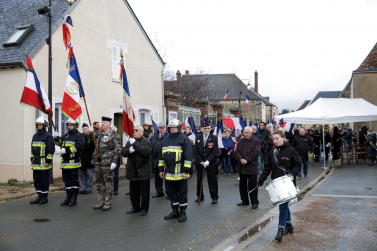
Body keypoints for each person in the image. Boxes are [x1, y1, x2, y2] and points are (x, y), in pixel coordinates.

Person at [257, 130, 301, 242]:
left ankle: (280, 230)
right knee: (284, 205)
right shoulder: (272, 153)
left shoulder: (291, 151)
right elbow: (267, 169)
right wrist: (260, 181)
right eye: (273, 139)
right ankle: (289, 225)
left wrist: (292, 174)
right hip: (276, 184)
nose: (275, 141)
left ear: (283, 138)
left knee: (282, 206)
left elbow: (297, 165)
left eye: (277, 138)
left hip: (288, 183)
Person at [158, 119, 193, 222]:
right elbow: (161, 156)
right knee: (171, 193)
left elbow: (188, 156)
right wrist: (160, 170)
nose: (173, 129)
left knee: (182, 193)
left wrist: (186, 171)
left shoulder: (184, 139)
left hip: (180, 171)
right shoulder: (164, 139)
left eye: (174, 127)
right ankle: (175, 211)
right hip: (168, 171)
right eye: (171, 127)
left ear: (178, 128)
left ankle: (182, 212)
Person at [122, 125, 152, 216]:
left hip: (143, 171)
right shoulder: (130, 141)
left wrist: (134, 144)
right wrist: (129, 150)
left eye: (136, 130)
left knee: (144, 192)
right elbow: (123, 152)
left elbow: (145, 152)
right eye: (133, 130)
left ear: (142, 132)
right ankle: (135, 207)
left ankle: (144, 209)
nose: (134, 132)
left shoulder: (146, 142)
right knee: (133, 191)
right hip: (132, 171)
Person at [92, 117, 121, 211]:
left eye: (104, 122)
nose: (102, 123)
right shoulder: (99, 134)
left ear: (109, 124)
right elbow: (90, 137)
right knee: (99, 183)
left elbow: (117, 150)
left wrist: (114, 162)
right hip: (98, 162)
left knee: (108, 183)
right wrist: (90, 130)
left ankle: (108, 203)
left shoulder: (114, 135)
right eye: (102, 122)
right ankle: (101, 201)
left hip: (107, 163)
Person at [55, 118, 85, 207]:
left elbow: (78, 147)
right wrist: (56, 138)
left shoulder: (79, 136)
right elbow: (58, 142)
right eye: (68, 125)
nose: (69, 127)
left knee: (74, 181)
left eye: (71, 125)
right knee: (67, 182)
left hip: (74, 162)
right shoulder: (66, 135)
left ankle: (74, 198)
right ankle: (68, 197)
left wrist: (67, 151)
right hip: (65, 163)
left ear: (75, 126)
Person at [30, 117, 55, 205]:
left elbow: (51, 150)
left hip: (44, 163)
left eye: (40, 124)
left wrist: (48, 161)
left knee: (44, 180)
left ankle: (44, 197)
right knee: (37, 180)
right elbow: (32, 149)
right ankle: (39, 195)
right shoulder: (35, 136)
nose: (38, 126)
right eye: (37, 124)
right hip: (36, 162)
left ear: (44, 125)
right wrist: (32, 159)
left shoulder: (48, 136)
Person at [234, 126, 261, 209]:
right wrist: (240, 159)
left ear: (251, 133)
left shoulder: (256, 141)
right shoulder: (241, 141)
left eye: (247, 133)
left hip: (251, 166)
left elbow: (256, 152)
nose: (245, 134)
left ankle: (254, 202)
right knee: (242, 185)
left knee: (252, 185)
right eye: (244, 132)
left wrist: (247, 160)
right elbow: (236, 151)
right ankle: (244, 200)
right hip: (242, 166)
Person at [193, 121, 219, 204]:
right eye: (205, 128)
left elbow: (214, 151)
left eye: (208, 128)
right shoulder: (198, 138)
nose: (206, 130)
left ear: (210, 129)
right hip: (200, 163)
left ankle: (214, 197)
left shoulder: (214, 138)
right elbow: (195, 151)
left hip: (210, 163)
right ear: (201, 129)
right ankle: (200, 196)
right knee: (199, 180)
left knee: (212, 181)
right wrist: (200, 161)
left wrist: (208, 161)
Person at [150, 122, 168, 198]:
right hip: (156, 160)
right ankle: (159, 191)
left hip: (166, 160)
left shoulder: (169, 137)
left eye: (163, 128)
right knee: (157, 178)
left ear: (166, 128)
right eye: (161, 128)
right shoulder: (154, 137)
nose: (162, 129)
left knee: (167, 178)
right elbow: (151, 148)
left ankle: (168, 192)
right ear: (158, 129)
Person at [79, 123, 95, 195]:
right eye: (83, 129)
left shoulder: (91, 137)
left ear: (88, 129)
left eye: (86, 129)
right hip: (81, 159)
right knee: (82, 174)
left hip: (89, 159)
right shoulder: (81, 137)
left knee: (89, 175)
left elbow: (94, 149)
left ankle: (89, 188)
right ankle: (83, 188)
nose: (84, 130)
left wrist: (93, 158)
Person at [111, 125, 122, 195]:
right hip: (108, 159)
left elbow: (117, 149)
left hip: (114, 158)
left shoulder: (117, 137)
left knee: (115, 175)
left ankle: (115, 189)